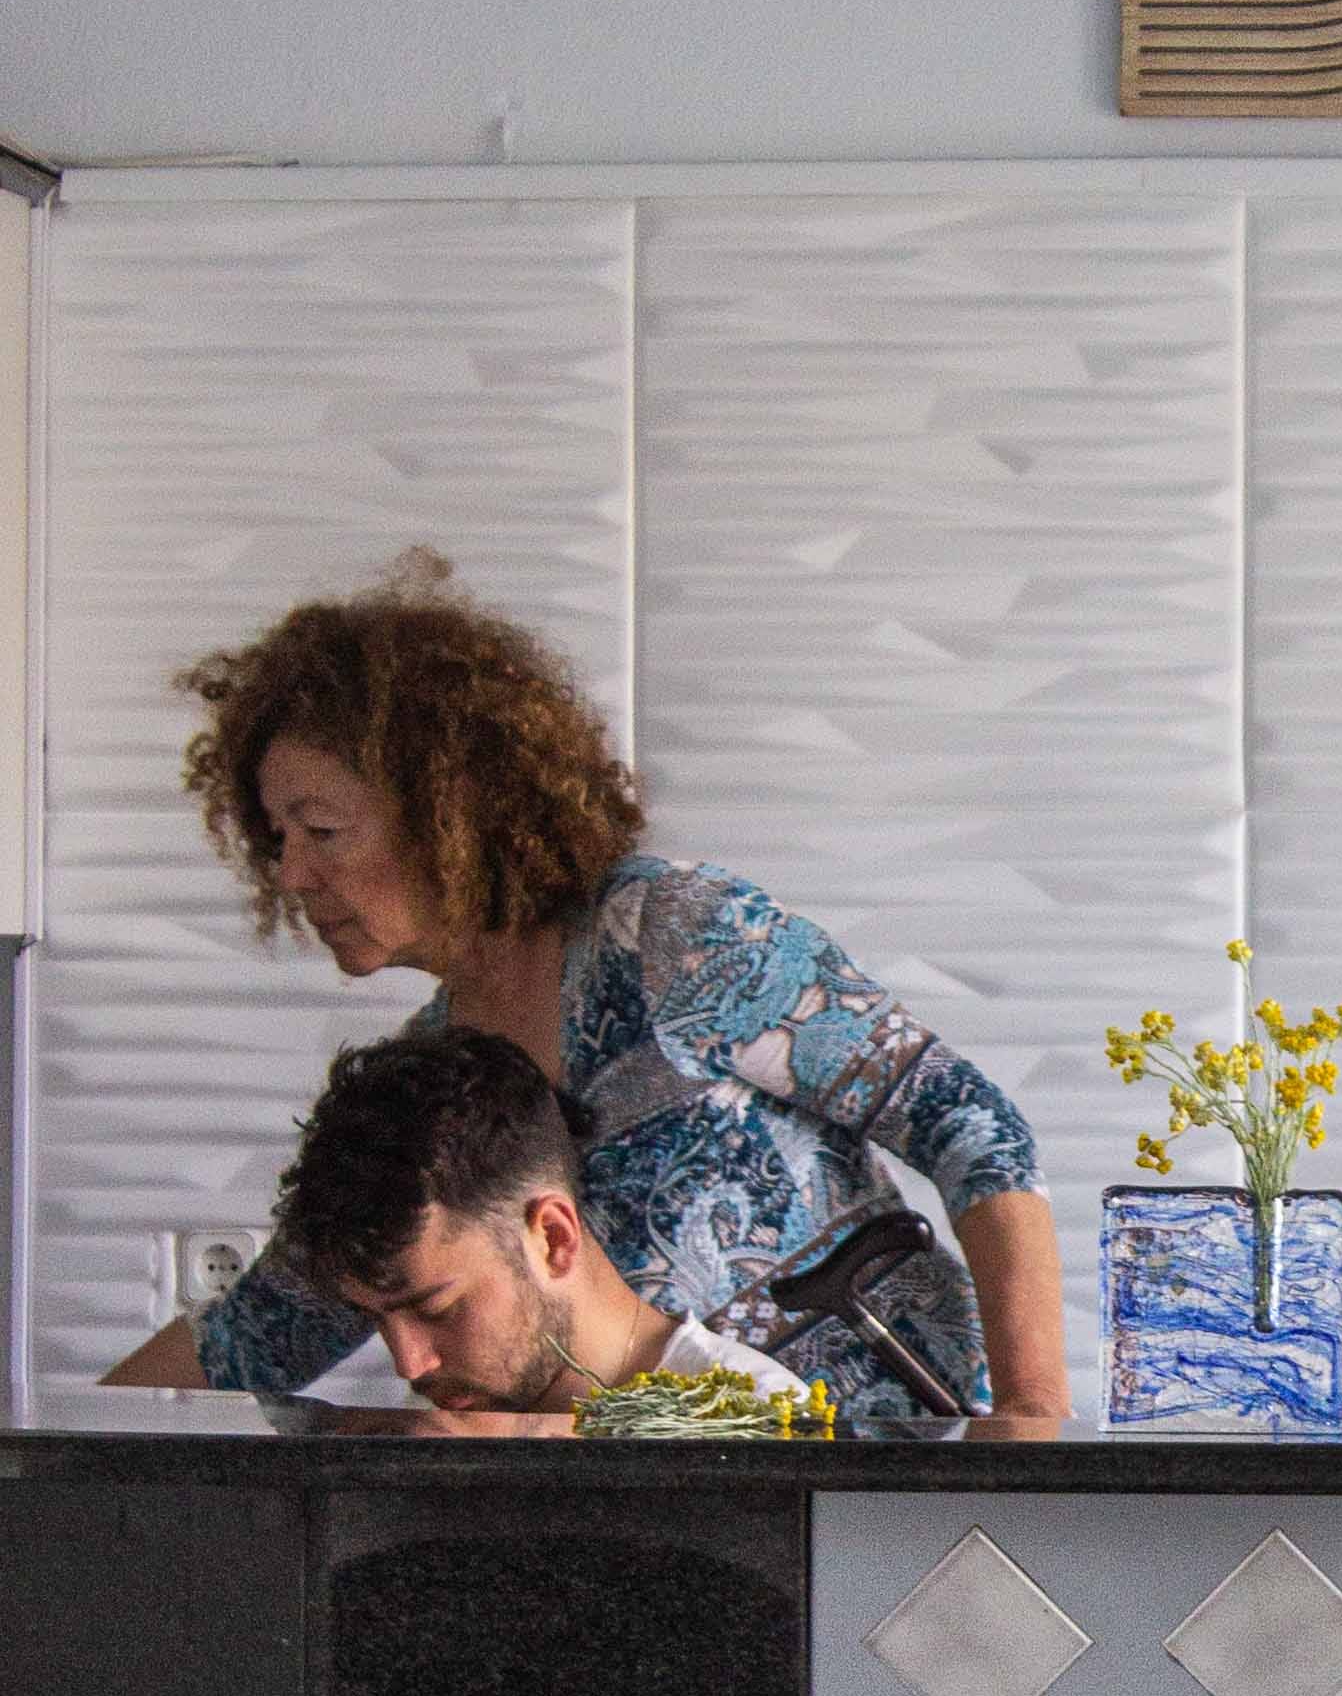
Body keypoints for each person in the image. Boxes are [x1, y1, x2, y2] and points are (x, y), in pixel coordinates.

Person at [102, 554, 1066, 1424]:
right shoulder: (436, 1078)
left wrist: (1029, 1424)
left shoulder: (672, 940)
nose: (292, 878)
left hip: (903, 1462)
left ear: (450, 810)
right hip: (695, 1507)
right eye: (277, 840)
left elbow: (972, 1130)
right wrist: (37, 1459)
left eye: (320, 830)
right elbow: (255, 1336)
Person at [259, 1030, 811, 1427]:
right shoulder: (451, 1421)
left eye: (436, 1309)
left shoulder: (761, 1421)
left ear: (553, 1238)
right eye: (376, 1318)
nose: (409, 1364)